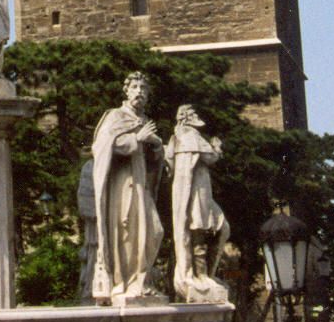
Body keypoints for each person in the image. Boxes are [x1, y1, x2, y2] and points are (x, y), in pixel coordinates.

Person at [89, 72, 165, 301]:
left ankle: (142, 279)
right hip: (123, 183)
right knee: (127, 232)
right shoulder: (115, 116)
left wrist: (156, 146)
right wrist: (138, 139)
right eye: (135, 87)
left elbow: (152, 161)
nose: (139, 92)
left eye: (143, 88)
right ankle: (128, 283)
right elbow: (102, 146)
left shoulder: (145, 121)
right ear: (127, 91)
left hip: (142, 182)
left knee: (154, 231)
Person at [164, 104, 231, 300]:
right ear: (187, 118)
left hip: (194, 192)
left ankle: (204, 274)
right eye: (193, 114)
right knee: (200, 231)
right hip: (196, 193)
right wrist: (217, 146)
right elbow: (210, 157)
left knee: (215, 229)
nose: (196, 117)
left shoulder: (177, 138)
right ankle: (201, 275)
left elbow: (169, 165)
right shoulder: (191, 136)